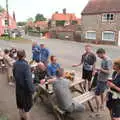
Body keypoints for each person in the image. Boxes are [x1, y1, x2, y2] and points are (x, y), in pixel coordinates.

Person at [13, 49, 34, 120]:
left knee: (20, 106)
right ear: (25, 55)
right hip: (25, 91)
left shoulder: (15, 63)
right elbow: (29, 80)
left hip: (18, 89)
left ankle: (21, 118)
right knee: (26, 109)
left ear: (18, 56)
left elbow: (14, 75)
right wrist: (32, 90)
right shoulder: (26, 66)